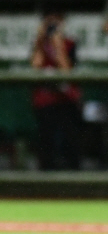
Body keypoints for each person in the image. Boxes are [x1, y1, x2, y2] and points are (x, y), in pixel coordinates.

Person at [31, 13, 81, 170]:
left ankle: (75, 180)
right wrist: (40, 41)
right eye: (49, 23)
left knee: (70, 140)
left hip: (66, 99)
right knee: (46, 141)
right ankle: (45, 181)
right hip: (45, 99)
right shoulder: (39, 44)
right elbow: (35, 65)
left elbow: (67, 71)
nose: (52, 26)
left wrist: (58, 45)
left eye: (56, 22)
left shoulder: (69, 43)